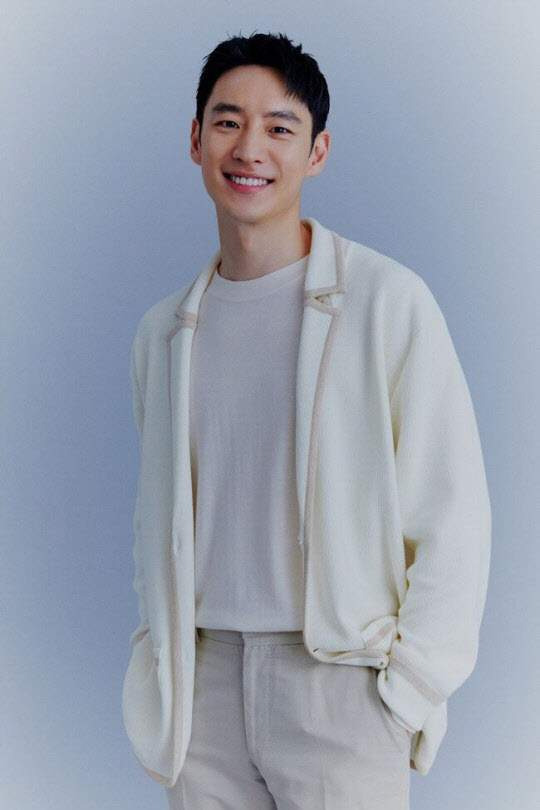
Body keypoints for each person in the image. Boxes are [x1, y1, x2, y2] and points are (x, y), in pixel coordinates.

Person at [122, 31, 492, 810]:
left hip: (340, 687)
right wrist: (160, 662)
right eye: (227, 121)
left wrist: (407, 692)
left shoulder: (387, 303)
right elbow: (159, 522)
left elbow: (454, 512)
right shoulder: (163, 333)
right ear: (195, 139)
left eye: (279, 127)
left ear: (317, 151)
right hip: (202, 693)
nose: (249, 148)